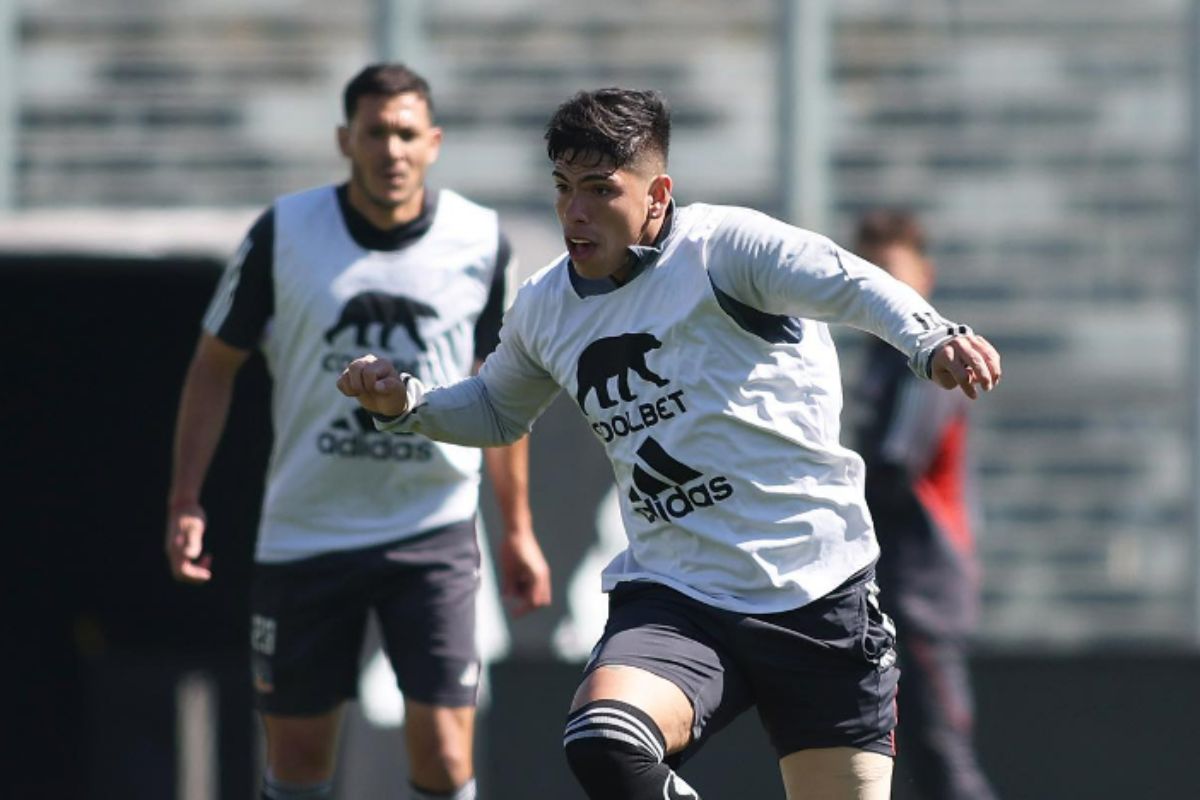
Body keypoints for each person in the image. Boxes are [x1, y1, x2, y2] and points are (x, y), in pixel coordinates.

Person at [338, 88, 1001, 800]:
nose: (575, 213)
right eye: (564, 189)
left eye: (600, 190)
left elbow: (853, 283)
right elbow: (497, 412)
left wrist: (930, 336)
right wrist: (405, 403)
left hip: (819, 592)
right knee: (605, 742)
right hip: (679, 596)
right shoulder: (545, 306)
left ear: (657, 193)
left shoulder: (728, 249)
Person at [164, 63, 552, 800]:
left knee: (444, 749)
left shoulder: (480, 239)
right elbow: (214, 366)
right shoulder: (284, 232)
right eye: (375, 132)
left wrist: (517, 528)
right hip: (308, 528)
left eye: (407, 133)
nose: (391, 149)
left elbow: (502, 393)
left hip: (432, 524)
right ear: (346, 139)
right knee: (301, 755)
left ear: (433, 142)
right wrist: (187, 498)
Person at [852, 211, 998, 800]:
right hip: (895, 585)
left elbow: (894, 466)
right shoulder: (881, 359)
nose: (876, 290)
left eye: (888, 272)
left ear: (924, 276)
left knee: (942, 756)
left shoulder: (928, 360)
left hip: (923, 589)